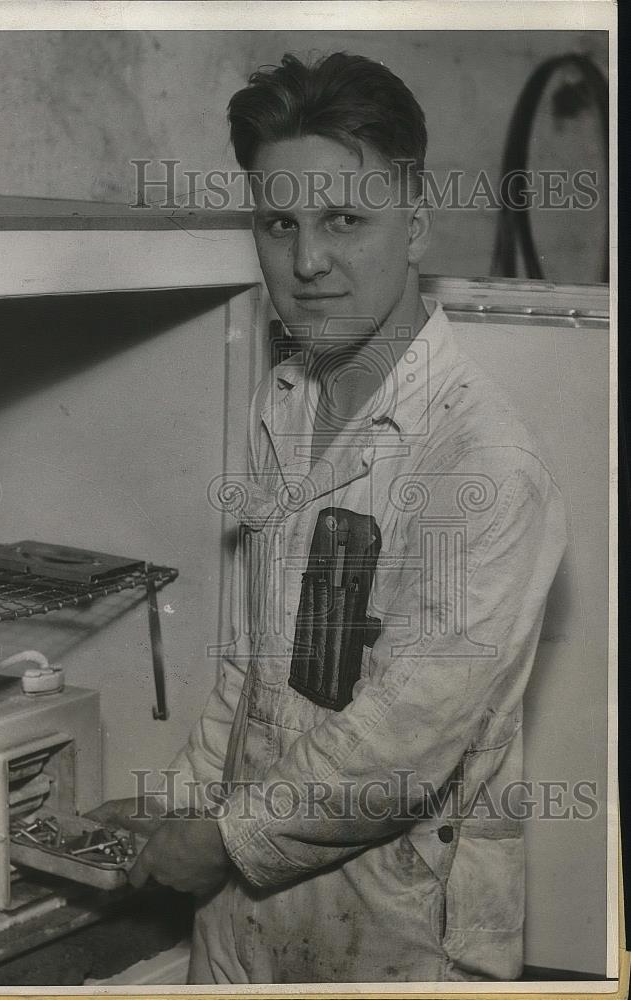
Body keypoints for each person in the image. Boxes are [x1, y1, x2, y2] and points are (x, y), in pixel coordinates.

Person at [88, 52, 567, 984]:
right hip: (243, 923)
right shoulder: (284, 404)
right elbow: (257, 663)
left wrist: (222, 840)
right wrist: (174, 809)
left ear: (417, 222)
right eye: (279, 224)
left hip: (401, 936)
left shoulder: (483, 462)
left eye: (346, 220)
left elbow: (406, 742)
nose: (307, 263)